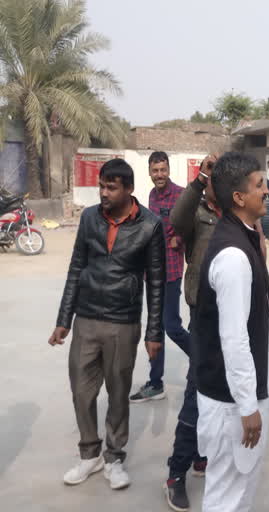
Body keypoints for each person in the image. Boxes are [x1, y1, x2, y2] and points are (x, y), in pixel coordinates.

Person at [49, 158, 165, 490]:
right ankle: (90, 454)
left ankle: (114, 457)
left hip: (122, 322)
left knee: (117, 394)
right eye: (101, 185)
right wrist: (63, 320)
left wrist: (154, 332)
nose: (103, 193)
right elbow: (75, 268)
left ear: (128, 189)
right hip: (86, 319)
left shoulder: (149, 226)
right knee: (81, 391)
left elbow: (156, 283)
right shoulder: (88, 218)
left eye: (110, 187)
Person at [192, 152, 269, 512]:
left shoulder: (243, 237)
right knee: (227, 498)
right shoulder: (233, 256)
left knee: (237, 495)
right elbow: (233, 338)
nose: (267, 190)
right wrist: (247, 407)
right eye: (260, 185)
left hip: (237, 400)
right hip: (231, 406)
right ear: (239, 197)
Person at [161, 153, 218, 511]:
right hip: (202, 314)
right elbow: (176, 219)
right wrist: (199, 179)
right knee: (196, 393)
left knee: (216, 394)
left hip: (231, 317)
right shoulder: (197, 212)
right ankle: (175, 472)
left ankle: (201, 455)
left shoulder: (236, 213)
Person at [130, 151, 188, 403]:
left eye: (163, 170)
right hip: (152, 275)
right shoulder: (152, 196)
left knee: (172, 326)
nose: (159, 175)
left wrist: (182, 238)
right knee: (155, 329)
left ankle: (206, 361)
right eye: (155, 171)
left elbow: (194, 224)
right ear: (150, 172)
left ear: (169, 170)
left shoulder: (182, 194)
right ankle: (156, 383)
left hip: (172, 272)